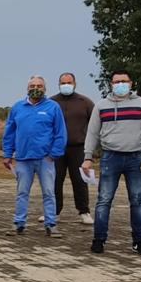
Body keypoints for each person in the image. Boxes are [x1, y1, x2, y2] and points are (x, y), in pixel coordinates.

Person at [83, 70, 141, 256]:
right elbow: (92, 132)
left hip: (137, 158)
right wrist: (87, 156)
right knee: (104, 200)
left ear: (131, 83)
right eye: (117, 81)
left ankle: (139, 241)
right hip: (110, 157)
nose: (120, 85)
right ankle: (99, 239)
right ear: (111, 84)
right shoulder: (101, 106)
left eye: (124, 81)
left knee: (138, 201)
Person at [1, 77, 68, 238]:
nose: (35, 88)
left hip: (45, 159)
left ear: (45, 88)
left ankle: (51, 224)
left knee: (48, 192)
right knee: (22, 192)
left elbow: (60, 133)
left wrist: (54, 154)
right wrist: (7, 154)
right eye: (32, 86)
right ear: (27, 88)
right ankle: (18, 223)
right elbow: (9, 132)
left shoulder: (53, 107)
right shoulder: (18, 107)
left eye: (39, 86)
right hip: (23, 159)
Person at [52, 72, 96, 225]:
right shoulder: (52, 102)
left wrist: (92, 149)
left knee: (79, 180)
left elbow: (95, 125)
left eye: (68, 82)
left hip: (78, 148)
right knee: (55, 179)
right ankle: (54, 211)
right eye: (63, 83)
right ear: (58, 84)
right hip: (57, 148)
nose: (66, 85)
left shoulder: (85, 102)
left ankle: (84, 211)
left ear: (75, 83)